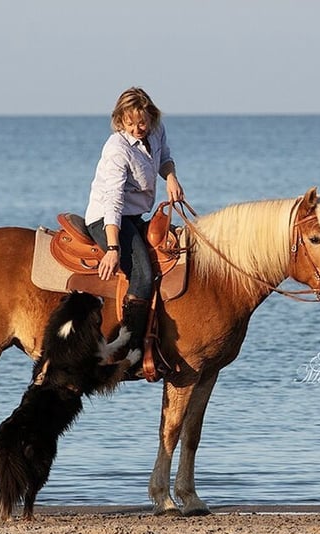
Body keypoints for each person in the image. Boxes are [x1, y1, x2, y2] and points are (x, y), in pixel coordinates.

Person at [84, 87, 185, 364]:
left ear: (150, 116)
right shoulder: (117, 149)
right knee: (142, 273)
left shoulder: (156, 130)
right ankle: (130, 352)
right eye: (129, 123)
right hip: (106, 218)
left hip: (135, 215)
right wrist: (113, 247)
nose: (137, 128)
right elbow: (113, 202)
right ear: (120, 121)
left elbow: (164, 158)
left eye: (141, 122)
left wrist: (171, 178)